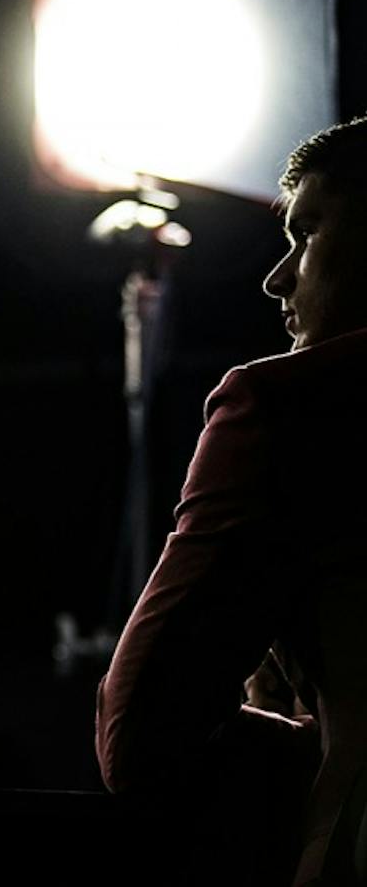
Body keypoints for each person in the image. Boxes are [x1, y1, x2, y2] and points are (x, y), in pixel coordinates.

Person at [97, 117, 367, 886]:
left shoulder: (284, 405)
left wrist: (318, 736)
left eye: (308, 231)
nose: (277, 277)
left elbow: (138, 734)